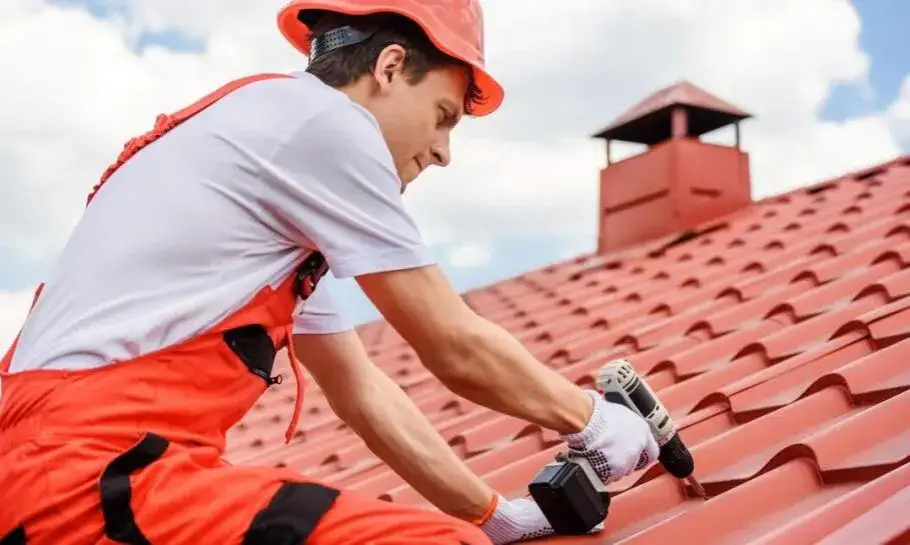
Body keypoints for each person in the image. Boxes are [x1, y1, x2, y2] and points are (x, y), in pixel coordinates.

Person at [0, 1, 659, 544]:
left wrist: (492, 514)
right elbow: (452, 344)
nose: (443, 152)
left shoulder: (269, 173)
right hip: (81, 475)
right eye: (443, 117)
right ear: (391, 66)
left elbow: (364, 395)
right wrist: (593, 420)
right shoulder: (324, 125)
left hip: (70, 471)